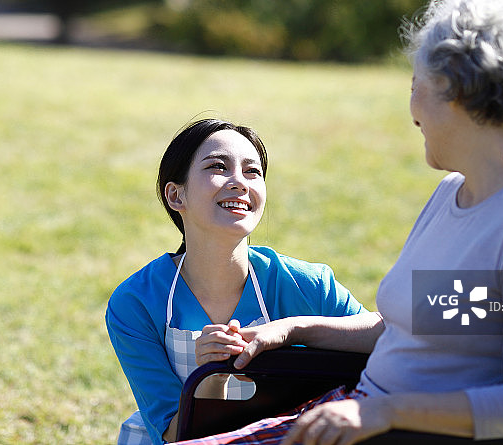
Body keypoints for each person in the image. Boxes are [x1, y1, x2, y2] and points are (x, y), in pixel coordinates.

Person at [171, 0, 503, 444]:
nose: (411, 109)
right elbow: (407, 327)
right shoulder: (454, 193)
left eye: (417, 85)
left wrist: (386, 413)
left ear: (460, 94)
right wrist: (289, 329)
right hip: (361, 410)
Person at [105, 118, 384, 445]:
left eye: (253, 172)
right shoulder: (136, 302)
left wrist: (295, 328)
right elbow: (170, 432)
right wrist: (210, 379)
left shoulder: (307, 284)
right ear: (175, 196)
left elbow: (389, 337)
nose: (239, 182)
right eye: (218, 167)